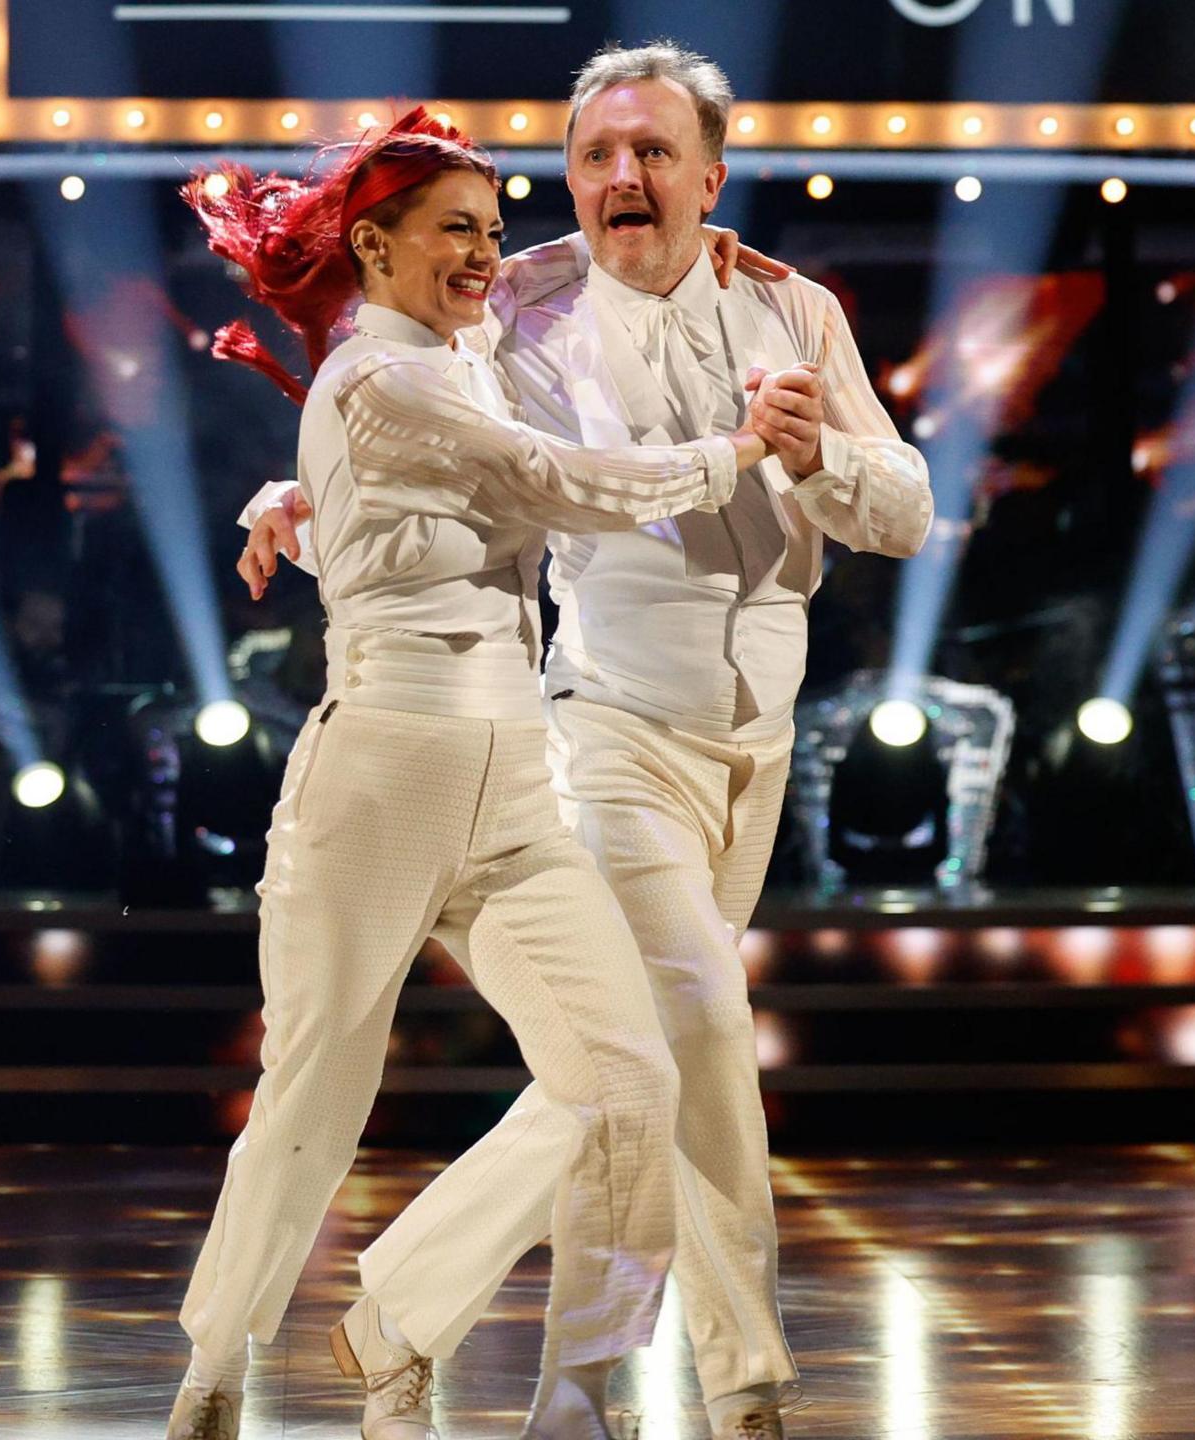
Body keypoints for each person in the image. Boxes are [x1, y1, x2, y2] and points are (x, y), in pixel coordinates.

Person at [242, 43, 935, 1440]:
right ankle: (697, 1384)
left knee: (630, 1077)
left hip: (759, 744)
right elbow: (403, 421)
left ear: (709, 173)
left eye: (654, 153)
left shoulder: (794, 310)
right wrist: (301, 493)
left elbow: (904, 510)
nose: (625, 179)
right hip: (606, 731)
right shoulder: (517, 308)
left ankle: (401, 1312)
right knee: (705, 1038)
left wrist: (819, 460)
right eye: (599, 156)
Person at [167, 109, 782, 1440]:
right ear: (372, 245)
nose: (486, 258)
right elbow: (564, 483)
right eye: (456, 230)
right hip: (381, 776)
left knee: (625, 1082)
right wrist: (736, 451)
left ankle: (396, 1314)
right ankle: (215, 1371)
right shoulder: (377, 379)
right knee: (318, 1093)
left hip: (516, 786)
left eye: (495, 232)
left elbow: (412, 544)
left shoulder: (459, 374)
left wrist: (299, 509)